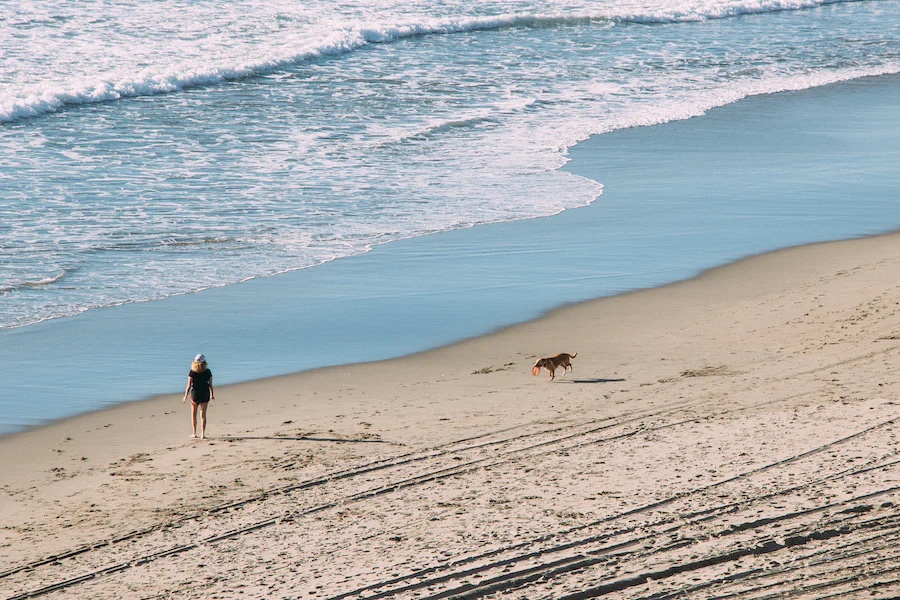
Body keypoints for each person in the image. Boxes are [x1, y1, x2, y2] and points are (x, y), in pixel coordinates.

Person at [183, 354, 215, 439]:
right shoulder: (208, 372)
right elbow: (210, 385)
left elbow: (189, 386)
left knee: (193, 414)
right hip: (205, 393)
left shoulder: (192, 372)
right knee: (203, 415)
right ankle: (203, 434)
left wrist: (185, 396)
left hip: (195, 394)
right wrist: (212, 395)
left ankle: (194, 433)